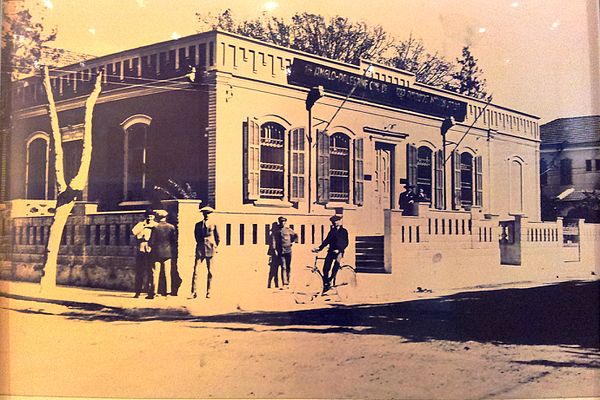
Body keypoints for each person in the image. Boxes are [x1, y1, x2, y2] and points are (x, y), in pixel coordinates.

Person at [312, 215, 349, 291]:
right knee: (325, 268)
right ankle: (326, 283)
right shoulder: (332, 231)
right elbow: (326, 241)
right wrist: (319, 248)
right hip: (331, 251)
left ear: (339, 221)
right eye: (333, 222)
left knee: (336, 265)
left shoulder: (344, 231)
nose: (335, 223)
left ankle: (331, 279)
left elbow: (346, 242)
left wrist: (339, 250)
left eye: (336, 221)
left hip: (339, 251)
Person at [192, 205, 220, 299]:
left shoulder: (214, 224)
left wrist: (215, 246)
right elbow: (196, 236)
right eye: (205, 213)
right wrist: (200, 244)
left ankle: (209, 292)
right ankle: (194, 292)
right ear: (202, 214)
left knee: (210, 271)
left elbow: (218, 237)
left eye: (208, 213)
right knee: (196, 271)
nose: (206, 215)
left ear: (210, 214)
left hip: (210, 249)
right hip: (200, 249)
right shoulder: (198, 224)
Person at [147, 209, 176, 299]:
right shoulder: (171, 227)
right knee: (168, 273)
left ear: (157, 217)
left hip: (156, 253)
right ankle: (168, 293)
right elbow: (173, 241)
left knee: (156, 273)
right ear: (165, 217)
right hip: (167, 252)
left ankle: (154, 292)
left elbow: (151, 241)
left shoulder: (155, 227)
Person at [131, 209, 157, 298]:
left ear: (154, 217)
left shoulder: (156, 226)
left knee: (151, 271)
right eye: (148, 216)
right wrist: (143, 226)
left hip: (151, 248)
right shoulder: (141, 224)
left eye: (151, 216)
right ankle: (138, 291)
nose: (150, 218)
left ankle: (151, 292)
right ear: (145, 217)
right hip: (141, 247)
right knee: (139, 270)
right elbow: (134, 232)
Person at [269, 216, 298, 288]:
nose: (282, 222)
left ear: (285, 222)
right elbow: (274, 241)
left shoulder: (288, 230)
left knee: (288, 267)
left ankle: (288, 282)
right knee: (283, 267)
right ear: (279, 222)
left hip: (288, 251)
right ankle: (284, 283)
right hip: (281, 251)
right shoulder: (276, 231)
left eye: (284, 221)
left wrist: (292, 242)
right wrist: (275, 249)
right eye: (281, 221)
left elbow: (296, 236)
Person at [267, 221, 281, 289]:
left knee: (274, 269)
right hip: (274, 254)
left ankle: (273, 284)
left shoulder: (272, 234)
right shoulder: (273, 235)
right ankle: (273, 283)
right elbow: (272, 245)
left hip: (273, 254)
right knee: (274, 269)